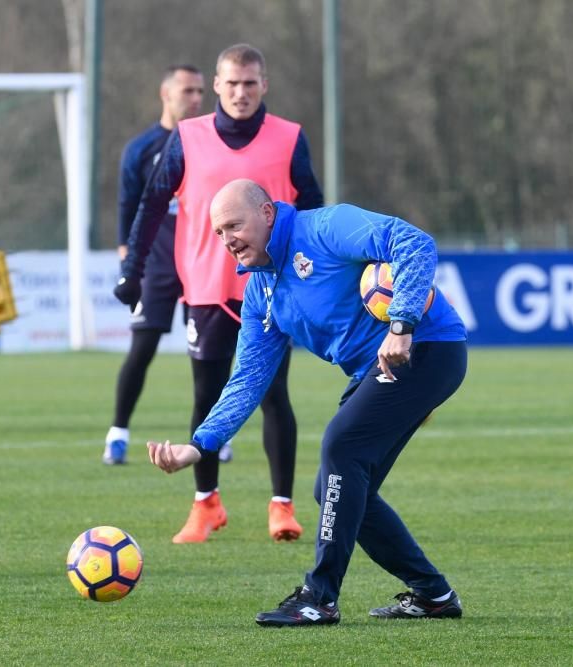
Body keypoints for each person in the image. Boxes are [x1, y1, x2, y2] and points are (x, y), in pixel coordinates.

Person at [147, 178, 468, 626]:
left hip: (429, 346)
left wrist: (402, 323)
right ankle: (433, 594)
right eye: (219, 232)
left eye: (234, 225)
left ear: (267, 213)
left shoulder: (326, 228)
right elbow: (248, 379)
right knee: (337, 486)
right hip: (375, 368)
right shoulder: (261, 291)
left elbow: (414, 242)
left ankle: (319, 597)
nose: (227, 240)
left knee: (341, 446)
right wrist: (198, 445)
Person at [114, 44, 324, 543]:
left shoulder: (289, 138)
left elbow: (313, 210)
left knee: (274, 394)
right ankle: (205, 504)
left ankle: (282, 507)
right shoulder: (189, 137)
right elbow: (152, 202)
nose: (241, 92)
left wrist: (317, 271)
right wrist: (132, 268)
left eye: (250, 83)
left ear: (264, 85)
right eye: (232, 83)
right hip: (207, 288)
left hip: (271, 287)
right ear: (216, 85)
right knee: (207, 396)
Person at [103, 64, 235, 465]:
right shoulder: (141, 148)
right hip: (159, 265)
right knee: (141, 349)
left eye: (199, 91)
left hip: (205, 264)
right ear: (166, 94)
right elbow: (131, 204)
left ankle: (215, 435)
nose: (195, 99)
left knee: (214, 357)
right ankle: (118, 432)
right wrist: (128, 255)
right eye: (187, 91)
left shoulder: (210, 143)